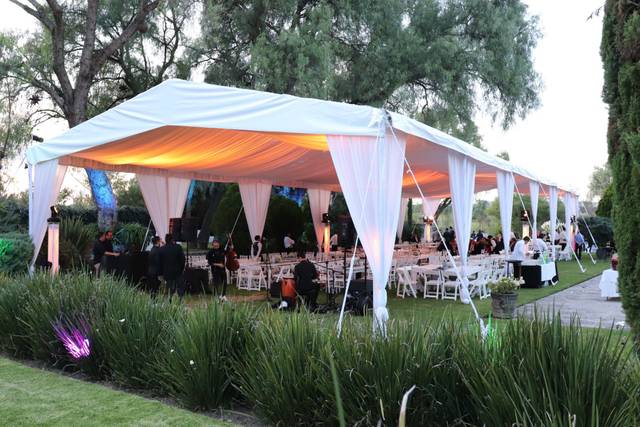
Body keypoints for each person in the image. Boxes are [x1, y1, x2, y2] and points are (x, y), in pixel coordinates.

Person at [160, 234, 186, 302]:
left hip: (167, 272)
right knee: (180, 286)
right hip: (178, 271)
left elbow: (160, 261)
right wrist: (181, 268)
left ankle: (170, 299)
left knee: (169, 286)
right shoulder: (178, 247)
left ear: (165, 240)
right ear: (172, 239)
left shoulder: (162, 249)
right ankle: (180, 298)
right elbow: (183, 259)